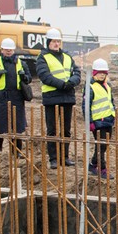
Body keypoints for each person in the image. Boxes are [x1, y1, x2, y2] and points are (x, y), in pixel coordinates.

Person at [36, 28, 81, 169]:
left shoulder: (67, 57)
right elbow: (45, 76)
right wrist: (62, 85)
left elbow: (77, 72)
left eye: (58, 41)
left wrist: (71, 82)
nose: (56, 44)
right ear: (48, 42)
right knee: (52, 130)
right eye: (54, 41)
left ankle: (65, 157)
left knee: (66, 130)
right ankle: (54, 158)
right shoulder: (43, 57)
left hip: (67, 97)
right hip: (52, 98)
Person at [0, 38, 30, 154]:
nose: (8, 52)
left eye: (10, 50)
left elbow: (29, 78)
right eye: (6, 49)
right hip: (0, 97)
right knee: (0, 124)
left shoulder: (21, 63)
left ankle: (17, 150)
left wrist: (24, 77)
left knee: (17, 125)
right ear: (2, 50)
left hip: (17, 97)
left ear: (14, 50)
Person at [86, 58, 116, 180]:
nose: (102, 75)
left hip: (107, 120)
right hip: (98, 122)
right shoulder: (90, 87)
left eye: (104, 73)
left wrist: (112, 115)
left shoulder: (107, 86)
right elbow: (86, 106)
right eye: (99, 73)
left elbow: (111, 102)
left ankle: (93, 164)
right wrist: (90, 122)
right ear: (94, 73)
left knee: (104, 144)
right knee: (101, 145)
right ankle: (101, 168)